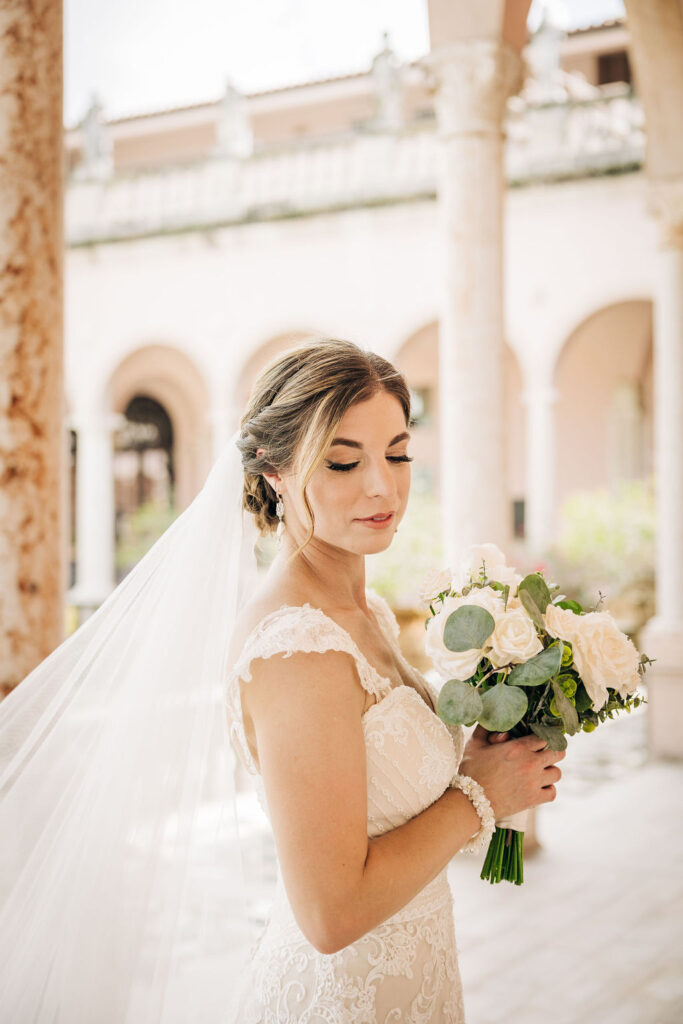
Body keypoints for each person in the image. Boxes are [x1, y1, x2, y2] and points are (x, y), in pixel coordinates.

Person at [224, 337, 565, 1022]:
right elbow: (329, 914)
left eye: (398, 453)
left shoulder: (364, 612)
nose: (382, 485)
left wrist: (499, 739)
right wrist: (479, 794)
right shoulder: (299, 648)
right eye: (344, 460)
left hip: (416, 978)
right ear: (274, 473)